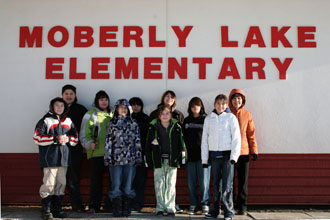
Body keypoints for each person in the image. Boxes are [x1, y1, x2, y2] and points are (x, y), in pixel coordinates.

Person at [33, 97, 78, 220]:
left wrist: (68, 139)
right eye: (57, 105)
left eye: (62, 106)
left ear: (65, 107)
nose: (59, 108)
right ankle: (46, 210)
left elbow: (75, 138)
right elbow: (37, 137)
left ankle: (57, 209)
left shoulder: (68, 121)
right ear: (52, 107)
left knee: (61, 184)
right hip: (50, 159)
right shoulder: (45, 120)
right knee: (49, 184)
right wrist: (54, 139)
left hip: (64, 159)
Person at [201, 94, 241, 220]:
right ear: (214, 105)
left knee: (227, 185)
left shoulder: (231, 118)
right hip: (214, 157)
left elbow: (236, 138)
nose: (220, 106)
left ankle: (229, 211)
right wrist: (204, 159)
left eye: (223, 104)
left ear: (226, 105)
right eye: (218, 104)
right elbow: (204, 140)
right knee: (216, 185)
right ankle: (215, 211)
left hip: (227, 156)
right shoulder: (209, 119)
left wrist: (234, 156)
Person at [145, 105, 186, 217]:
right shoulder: (153, 127)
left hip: (172, 159)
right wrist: (148, 159)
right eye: (162, 114)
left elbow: (182, 144)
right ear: (159, 116)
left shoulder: (176, 127)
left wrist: (182, 158)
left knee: (171, 184)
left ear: (171, 115)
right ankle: (160, 207)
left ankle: (170, 207)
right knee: (159, 183)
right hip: (158, 160)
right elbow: (148, 145)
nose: (165, 116)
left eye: (167, 113)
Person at [104, 99, 142, 217]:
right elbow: (108, 141)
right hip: (115, 159)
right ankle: (117, 207)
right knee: (116, 184)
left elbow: (137, 141)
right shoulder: (112, 123)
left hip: (130, 159)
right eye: (121, 107)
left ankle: (127, 207)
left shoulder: (133, 123)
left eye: (125, 108)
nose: (123, 110)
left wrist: (138, 156)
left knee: (128, 185)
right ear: (116, 109)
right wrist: (108, 157)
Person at [80, 90, 113, 214]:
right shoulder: (90, 114)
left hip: (111, 154)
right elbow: (84, 132)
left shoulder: (113, 114)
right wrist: (88, 144)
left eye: (106, 99)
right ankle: (94, 206)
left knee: (112, 182)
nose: (104, 102)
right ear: (96, 101)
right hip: (96, 154)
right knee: (96, 182)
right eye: (101, 99)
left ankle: (109, 206)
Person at [228, 89, 258, 215]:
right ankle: (230, 205)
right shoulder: (226, 114)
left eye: (239, 98)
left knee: (243, 181)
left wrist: (254, 150)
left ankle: (242, 206)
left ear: (243, 100)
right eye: (234, 98)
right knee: (229, 181)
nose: (237, 101)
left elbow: (251, 134)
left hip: (244, 152)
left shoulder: (247, 114)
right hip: (229, 152)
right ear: (230, 100)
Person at [61, 84, 87, 212]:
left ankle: (76, 205)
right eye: (66, 93)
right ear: (62, 95)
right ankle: (56, 205)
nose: (69, 96)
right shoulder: (57, 108)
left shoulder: (81, 109)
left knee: (73, 178)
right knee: (58, 178)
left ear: (75, 95)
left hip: (75, 149)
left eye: (71, 94)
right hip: (58, 149)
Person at [183, 97, 210, 215]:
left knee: (204, 182)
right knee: (191, 182)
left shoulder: (206, 119)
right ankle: (193, 204)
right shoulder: (186, 120)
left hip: (203, 157)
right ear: (190, 107)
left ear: (201, 106)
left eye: (197, 105)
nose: (195, 107)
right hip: (190, 157)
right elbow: (182, 138)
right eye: (193, 105)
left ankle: (205, 204)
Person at [129, 97, 150, 213]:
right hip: (127, 155)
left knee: (140, 180)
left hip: (141, 155)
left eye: (138, 105)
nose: (136, 107)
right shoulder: (126, 118)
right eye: (133, 105)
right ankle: (128, 203)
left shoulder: (145, 119)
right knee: (128, 180)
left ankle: (138, 204)